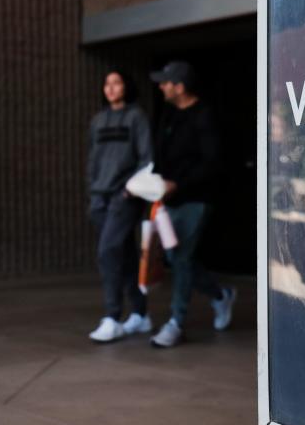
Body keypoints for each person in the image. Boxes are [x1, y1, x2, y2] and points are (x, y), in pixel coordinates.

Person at [147, 61, 236, 348]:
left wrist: (179, 184)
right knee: (175, 259)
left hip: (195, 200)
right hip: (168, 199)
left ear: (180, 86)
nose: (161, 86)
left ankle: (176, 322)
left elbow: (212, 163)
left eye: (166, 82)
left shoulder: (203, 116)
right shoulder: (169, 114)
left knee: (182, 257)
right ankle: (220, 295)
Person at [87, 69, 153, 342]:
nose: (111, 88)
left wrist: (129, 190)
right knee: (123, 256)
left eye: (117, 82)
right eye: (107, 83)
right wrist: (92, 192)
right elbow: (93, 159)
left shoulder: (136, 116)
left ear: (126, 86)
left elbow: (146, 157)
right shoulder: (98, 120)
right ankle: (140, 314)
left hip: (124, 197)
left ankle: (112, 316)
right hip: (99, 198)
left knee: (107, 252)